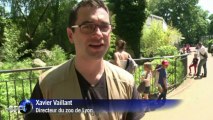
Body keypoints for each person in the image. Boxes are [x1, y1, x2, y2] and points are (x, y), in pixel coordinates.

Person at [25, 0, 144, 120]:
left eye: (104, 26)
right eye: (87, 27)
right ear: (71, 35)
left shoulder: (126, 83)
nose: (98, 34)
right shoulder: (47, 86)